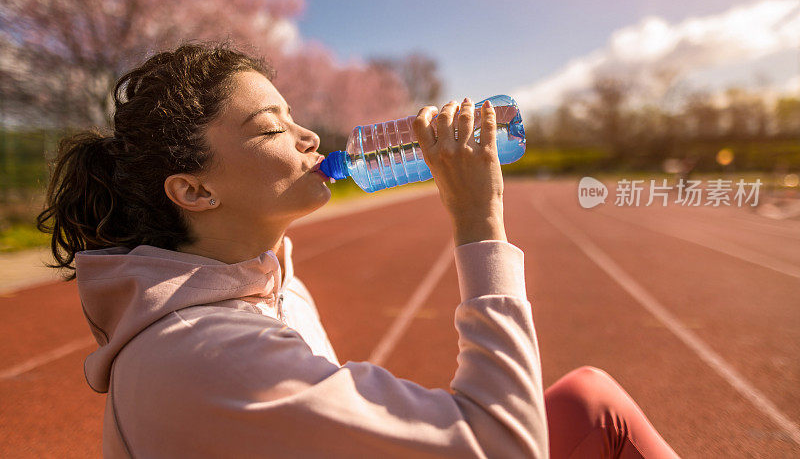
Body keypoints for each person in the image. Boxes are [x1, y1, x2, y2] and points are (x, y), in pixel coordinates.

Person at [36, 42, 680, 458]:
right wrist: (480, 219)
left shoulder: (269, 281)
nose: (310, 135)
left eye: (293, 117)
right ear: (194, 190)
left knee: (588, 400)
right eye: (270, 128)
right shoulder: (204, 354)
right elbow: (504, 449)